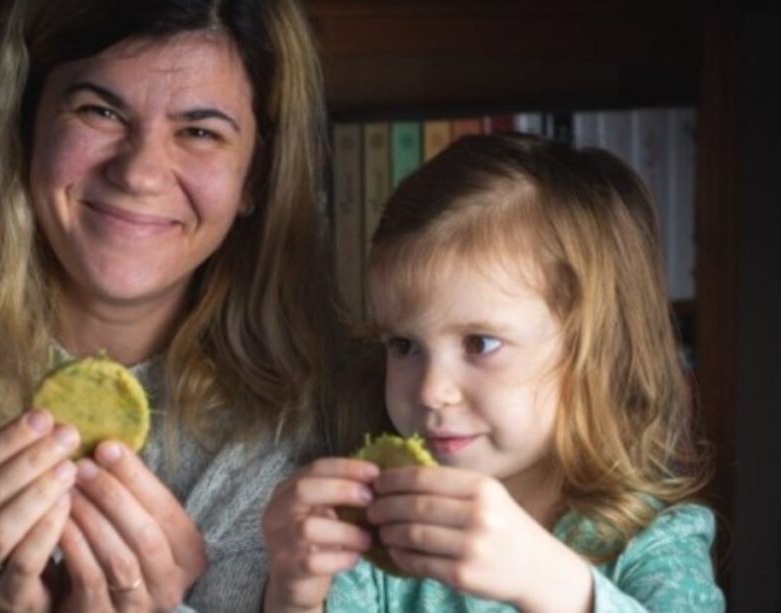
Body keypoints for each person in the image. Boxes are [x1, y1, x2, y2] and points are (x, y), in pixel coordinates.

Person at [0, 0, 333, 610]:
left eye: (200, 132)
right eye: (100, 110)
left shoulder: (319, 388)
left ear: (255, 177)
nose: (140, 173)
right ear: (25, 124)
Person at [262, 133, 726, 612]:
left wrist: (552, 586)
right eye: (404, 345)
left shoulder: (653, 543)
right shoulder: (373, 539)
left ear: (593, 350)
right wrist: (293, 596)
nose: (431, 391)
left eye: (479, 343)